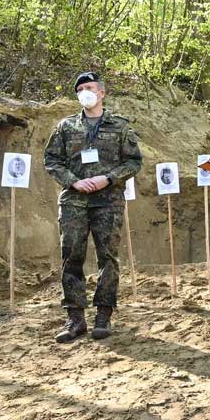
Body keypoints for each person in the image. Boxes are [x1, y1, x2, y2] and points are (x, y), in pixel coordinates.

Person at [44, 71, 142, 343]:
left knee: (107, 258)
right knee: (71, 257)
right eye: (79, 89)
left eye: (89, 87)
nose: (84, 92)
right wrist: (73, 182)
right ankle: (75, 319)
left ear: (101, 93)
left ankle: (104, 315)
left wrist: (108, 178)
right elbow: (52, 161)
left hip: (107, 201)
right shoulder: (65, 127)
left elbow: (134, 162)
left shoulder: (120, 127)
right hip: (74, 201)